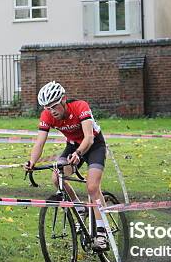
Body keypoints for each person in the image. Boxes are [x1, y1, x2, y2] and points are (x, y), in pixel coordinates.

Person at [25, 81, 109, 251]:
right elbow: (40, 143)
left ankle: (102, 231)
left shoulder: (80, 107)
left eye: (54, 106)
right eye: (47, 108)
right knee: (57, 177)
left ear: (63, 99)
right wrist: (32, 161)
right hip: (72, 146)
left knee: (92, 187)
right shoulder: (47, 115)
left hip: (93, 145)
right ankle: (80, 208)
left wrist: (78, 154)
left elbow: (89, 138)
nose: (52, 111)